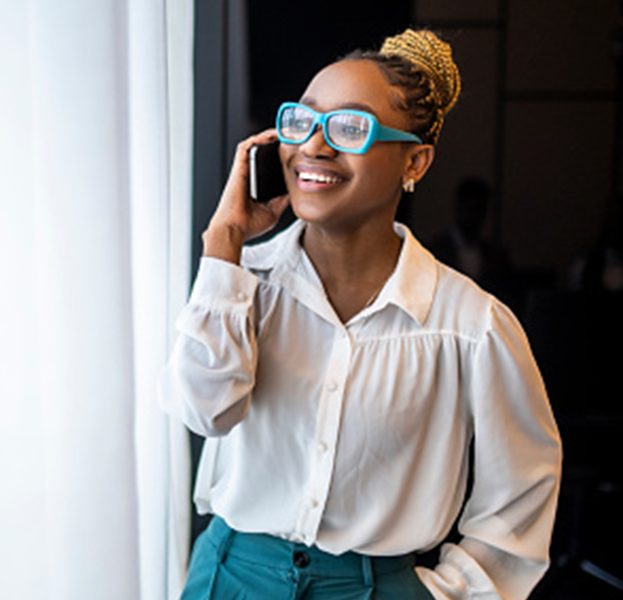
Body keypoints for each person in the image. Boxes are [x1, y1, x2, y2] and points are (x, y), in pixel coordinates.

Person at [160, 29, 561, 600]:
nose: (315, 147)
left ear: (414, 162)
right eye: (303, 121)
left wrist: (445, 593)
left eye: (350, 128)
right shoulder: (238, 282)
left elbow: (523, 495)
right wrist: (224, 241)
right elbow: (205, 411)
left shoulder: (473, 328)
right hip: (229, 577)